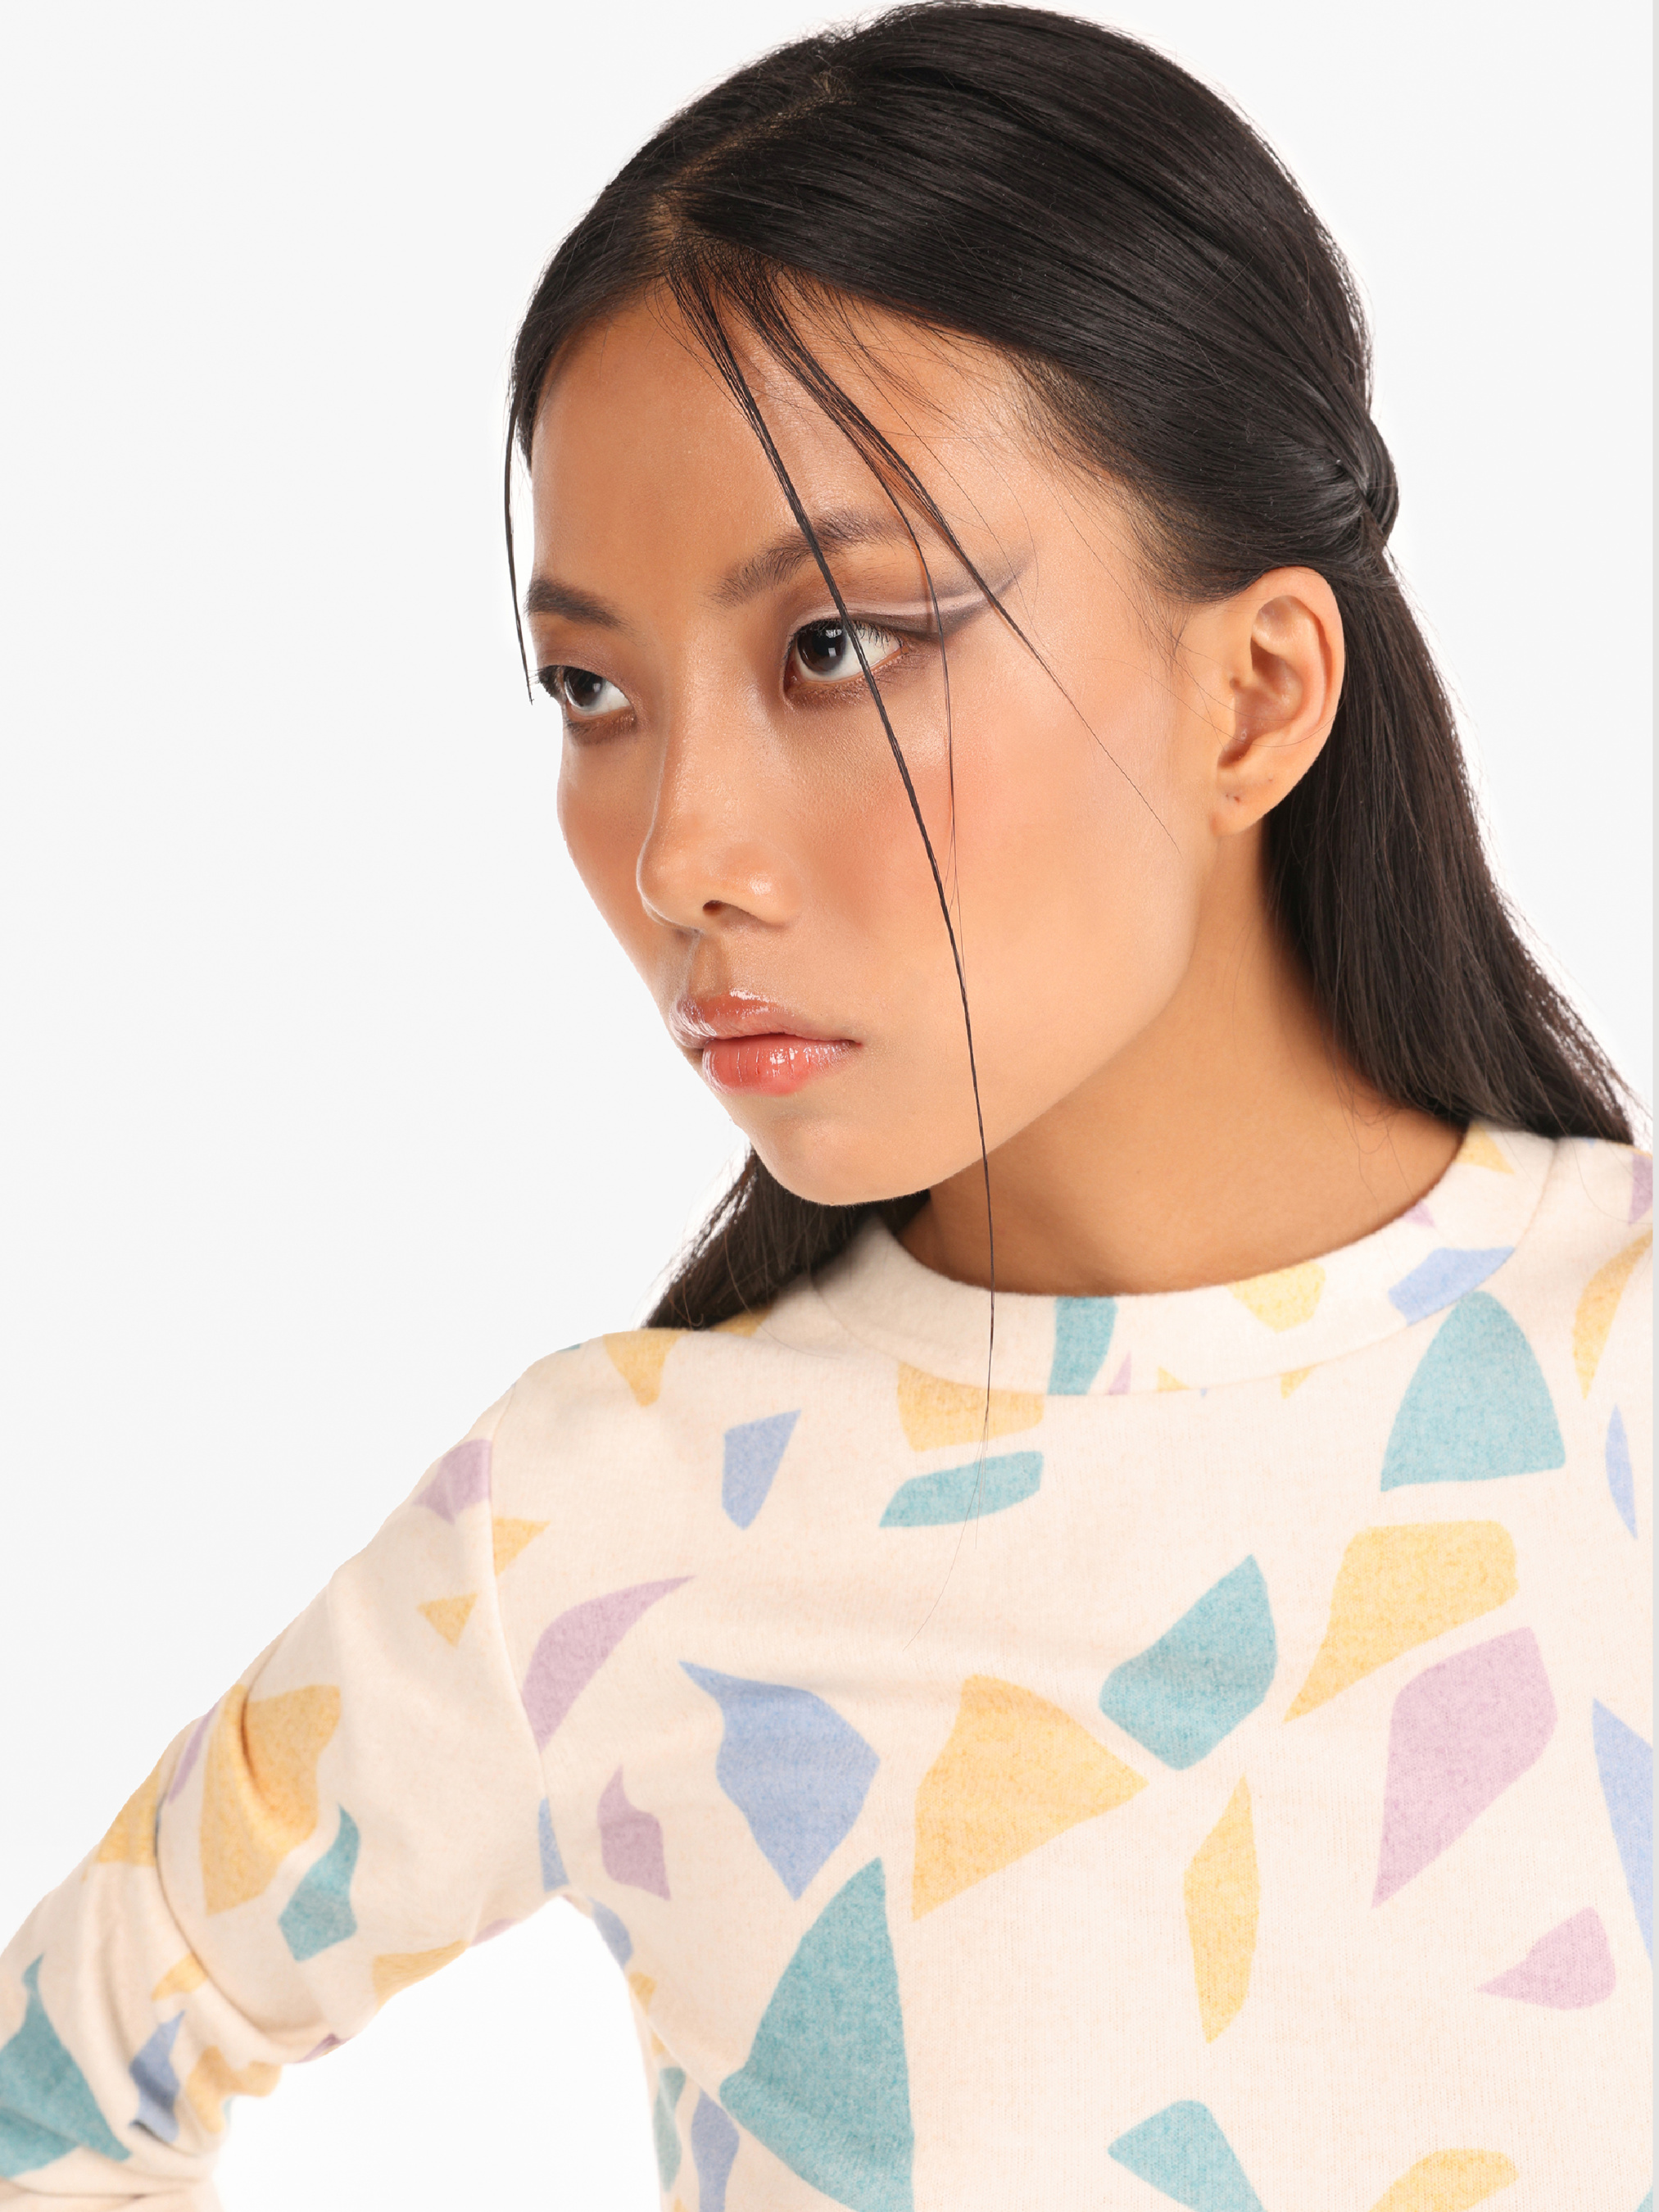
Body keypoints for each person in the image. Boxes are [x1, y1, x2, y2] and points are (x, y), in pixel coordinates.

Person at [1, 4, 1649, 2205]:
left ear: (1254, 691)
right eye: (592, 687)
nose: (680, 847)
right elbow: (45, 2102)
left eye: (838, 644)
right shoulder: (595, 1525)